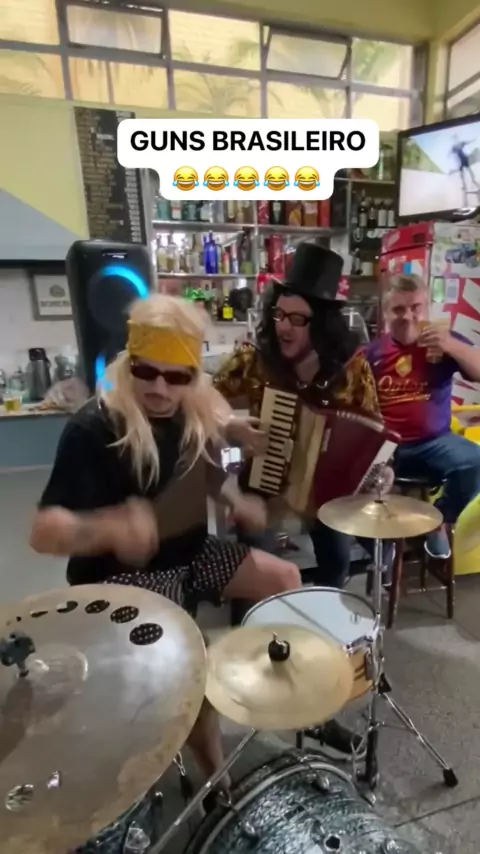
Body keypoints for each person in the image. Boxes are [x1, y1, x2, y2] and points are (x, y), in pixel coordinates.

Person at [29, 293, 301, 792]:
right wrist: (109, 527)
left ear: (192, 375)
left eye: (176, 377)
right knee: (194, 666)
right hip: (122, 579)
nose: (160, 388)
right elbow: (43, 532)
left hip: (191, 553)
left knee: (286, 578)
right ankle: (214, 779)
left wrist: (233, 496)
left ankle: (270, 694)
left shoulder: (192, 407)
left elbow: (200, 469)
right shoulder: (93, 428)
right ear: (129, 362)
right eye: (146, 371)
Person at [213, 242, 393, 755]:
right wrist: (231, 428)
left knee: (336, 558)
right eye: (280, 315)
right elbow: (202, 403)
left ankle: (318, 650)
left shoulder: (351, 370)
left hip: (326, 494)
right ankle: (256, 656)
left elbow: (375, 435)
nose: (284, 327)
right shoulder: (254, 362)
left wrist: (380, 473)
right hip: (264, 490)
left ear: (324, 324)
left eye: (298, 318)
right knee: (255, 562)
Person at [364, 272, 480, 559]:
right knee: (350, 488)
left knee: (476, 461)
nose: (408, 316)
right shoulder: (371, 353)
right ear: (385, 314)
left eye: (415, 307)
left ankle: (438, 521)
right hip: (386, 444)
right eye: (398, 309)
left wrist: (451, 346)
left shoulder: (444, 342)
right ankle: (382, 552)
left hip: (434, 442)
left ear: (426, 308)